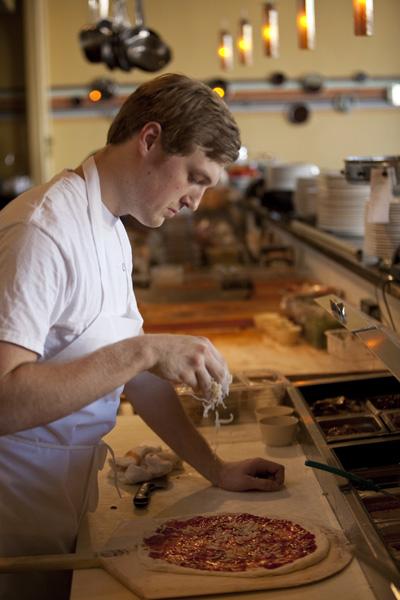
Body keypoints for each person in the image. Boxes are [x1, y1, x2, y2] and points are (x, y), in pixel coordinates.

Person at [0, 73, 284, 599]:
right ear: (150, 140)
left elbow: (139, 376)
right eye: (195, 177)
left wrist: (215, 469)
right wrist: (146, 349)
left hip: (61, 494)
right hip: (12, 510)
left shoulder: (111, 228)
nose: (196, 201)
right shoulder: (41, 231)